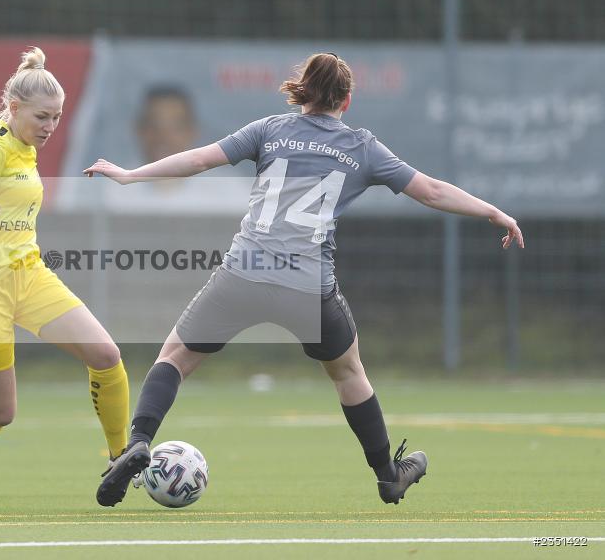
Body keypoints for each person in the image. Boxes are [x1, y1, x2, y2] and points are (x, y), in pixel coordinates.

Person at [85, 52, 524, 507]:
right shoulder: (363, 148)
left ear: (301, 93)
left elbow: (198, 160)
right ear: (346, 101)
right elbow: (431, 191)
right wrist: (493, 212)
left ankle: (139, 441)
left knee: (175, 357)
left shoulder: (269, 130)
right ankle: (388, 475)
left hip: (244, 273)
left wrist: (131, 175)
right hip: (308, 288)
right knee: (349, 373)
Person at [0, 47, 129, 508]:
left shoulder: (26, 146)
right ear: (14, 108)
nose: (50, 126)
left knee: (106, 355)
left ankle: (121, 458)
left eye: (57, 118)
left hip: (28, 274)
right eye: (42, 117)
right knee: (0, 412)